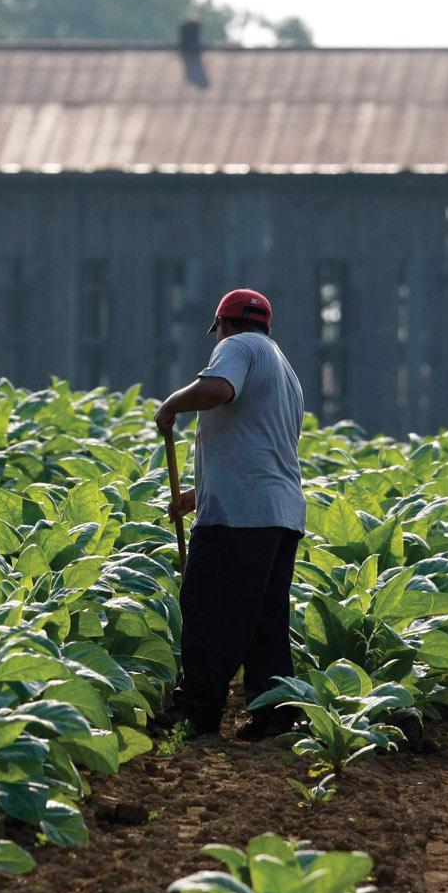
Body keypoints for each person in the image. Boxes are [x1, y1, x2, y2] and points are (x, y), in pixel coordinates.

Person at [155, 288, 306, 741]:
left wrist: (171, 405)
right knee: (264, 622)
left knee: (209, 608)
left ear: (222, 324)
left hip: (239, 519)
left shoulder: (237, 348)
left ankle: (196, 711)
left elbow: (218, 389)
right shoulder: (285, 369)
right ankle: (274, 713)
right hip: (279, 514)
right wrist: (200, 493)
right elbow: (260, 448)